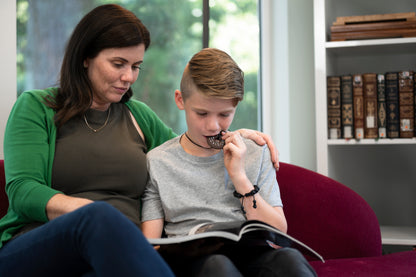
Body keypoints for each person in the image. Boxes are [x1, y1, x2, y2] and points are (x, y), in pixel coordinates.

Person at [0, 4, 279, 277]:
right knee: (98, 218)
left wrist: (232, 136)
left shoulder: (138, 116)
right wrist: (92, 212)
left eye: (136, 66)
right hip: (38, 245)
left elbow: (190, 148)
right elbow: (23, 191)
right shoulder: (37, 107)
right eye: (118, 64)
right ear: (85, 57)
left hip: (118, 252)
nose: (128, 77)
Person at [141, 48, 317, 276]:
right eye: (202, 114)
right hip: (196, 263)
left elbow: (278, 232)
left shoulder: (255, 151)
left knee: (289, 259)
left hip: (252, 255)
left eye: (224, 115)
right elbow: (148, 246)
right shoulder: (158, 162)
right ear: (180, 100)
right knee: (218, 266)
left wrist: (240, 177)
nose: (213, 126)